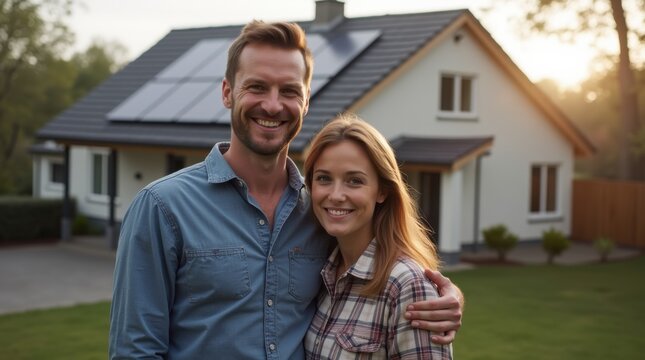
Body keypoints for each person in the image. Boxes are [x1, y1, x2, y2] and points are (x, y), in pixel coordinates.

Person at [109, 20, 462, 359]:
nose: (273, 105)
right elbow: (135, 351)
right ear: (228, 92)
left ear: (306, 102)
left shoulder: (322, 214)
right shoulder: (162, 207)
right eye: (257, 87)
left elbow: (378, 271)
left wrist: (442, 295)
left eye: (289, 91)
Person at [303, 114, 452, 359]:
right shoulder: (322, 269)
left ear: (382, 191)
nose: (336, 195)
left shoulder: (407, 286)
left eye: (354, 181)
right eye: (324, 178)